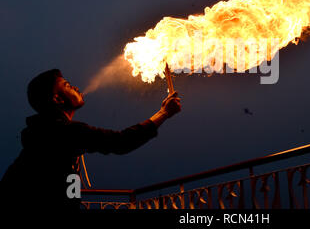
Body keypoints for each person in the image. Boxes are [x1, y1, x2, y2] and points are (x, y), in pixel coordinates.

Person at [0, 69, 181, 210]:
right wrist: (163, 113)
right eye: (67, 85)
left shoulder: (50, 131)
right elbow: (121, 142)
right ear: (57, 98)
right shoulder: (63, 132)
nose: (75, 87)